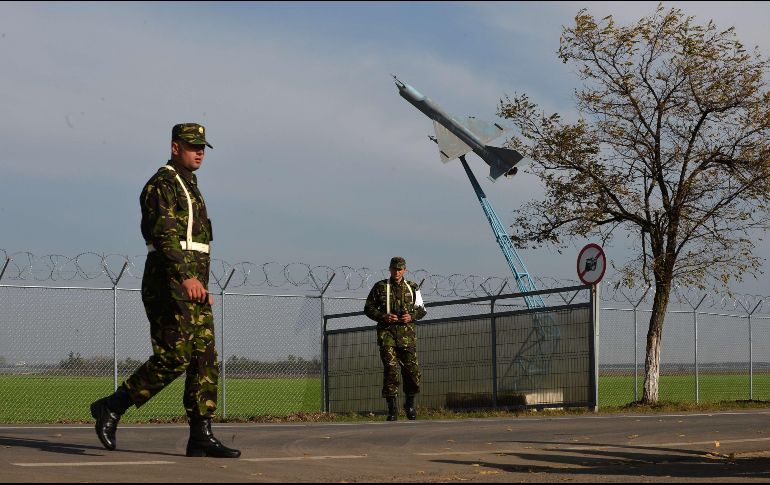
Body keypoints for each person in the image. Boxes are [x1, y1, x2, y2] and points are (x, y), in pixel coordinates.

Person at [89, 123, 240, 458]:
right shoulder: (162, 184)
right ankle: (112, 406)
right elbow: (165, 236)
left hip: (191, 285)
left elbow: (195, 245)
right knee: (174, 356)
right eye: (192, 146)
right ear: (175, 148)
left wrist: (200, 283)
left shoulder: (191, 187)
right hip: (168, 282)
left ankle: (201, 434)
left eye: (202, 146)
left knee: (204, 358)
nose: (199, 151)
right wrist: (186, 277)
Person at [364, 256, 427, 421]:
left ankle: (409, 404)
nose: (397, 272)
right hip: (387, 335)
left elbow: (422, 309)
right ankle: (392, 409)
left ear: (405, 270)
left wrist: (411, 316)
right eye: (394, 269)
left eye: (400, 269)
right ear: (390, 269)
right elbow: (368, 307)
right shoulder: (380, 287)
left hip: (407, 336)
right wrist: (383, 316)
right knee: (391, 370)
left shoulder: (413, 287)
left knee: (412, 372)